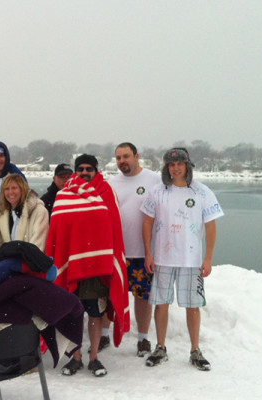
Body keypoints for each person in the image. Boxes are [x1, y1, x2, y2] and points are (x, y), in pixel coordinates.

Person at [45, 154, 129, 377]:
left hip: (96, 268)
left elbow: (114, 229)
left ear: (96, 170)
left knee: (95, 313)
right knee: (73, 314)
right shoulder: (64, 194)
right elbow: (59, 229)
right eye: (80, 169)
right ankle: (76, 357)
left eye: (88, 169)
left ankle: (94, 357)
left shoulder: (106, 192)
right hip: (71, 265)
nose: (84, 172)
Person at [141, 148, 224, 371]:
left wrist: (208, 258)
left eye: (180, 164)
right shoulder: (158, 191)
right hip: (162, 258)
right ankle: (160, 347)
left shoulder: (202, 192)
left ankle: (195, 350)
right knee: (161, 303)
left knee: (193, 306)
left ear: (187, 166)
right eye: (171, 164)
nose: (175, 168)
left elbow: (211, 226)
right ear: (166, 167)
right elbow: (147, 223)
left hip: (191, 260)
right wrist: (148, 253)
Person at [105, 142, 162, 357]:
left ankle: (143, 339)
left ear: (137, 156)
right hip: (116, 252)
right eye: (118, 158)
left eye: (126, 156)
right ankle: (103, 334)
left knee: (142, 297)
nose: (122, 161)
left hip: (143, 252)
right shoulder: (111, 184)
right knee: (108, 295)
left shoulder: (153, 180)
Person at [0, 173, 49, 251]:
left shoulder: (39, 211)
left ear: (22, 189)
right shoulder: (2, 214)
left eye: (14, 188)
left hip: (30, 261)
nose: (10, 192)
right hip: (8, 260)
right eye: (6, 189)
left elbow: (38, 246)